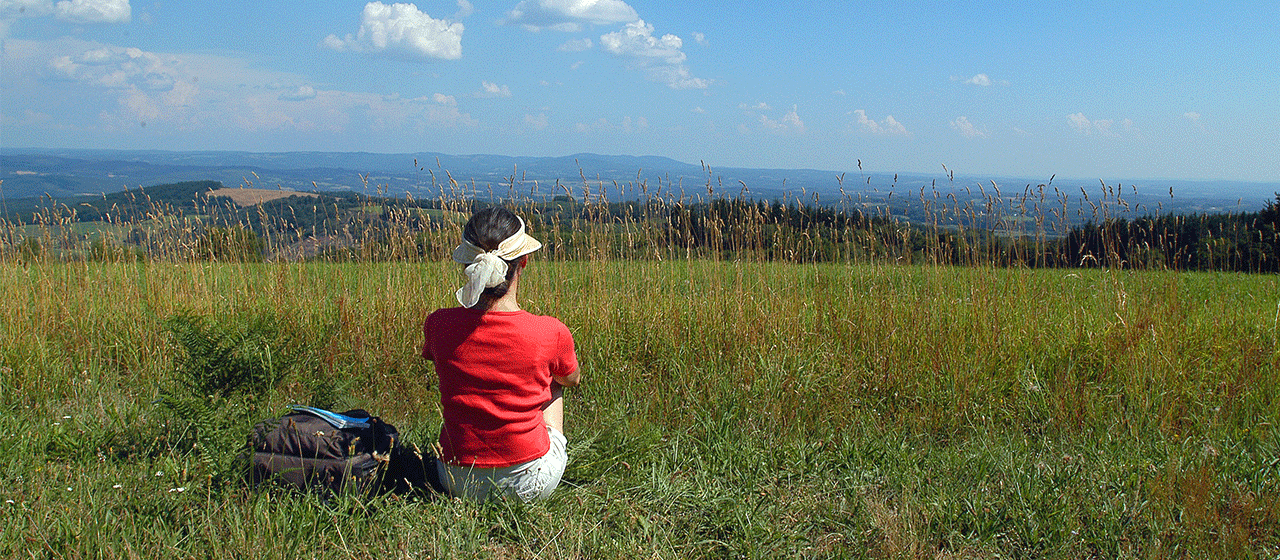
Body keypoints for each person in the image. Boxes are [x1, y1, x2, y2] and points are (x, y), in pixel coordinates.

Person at [421, 207, 581, 502]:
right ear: (524, 261)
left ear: (467, 264)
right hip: (529, 483)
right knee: (554, 379)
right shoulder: (550, 331)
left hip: (454, 478)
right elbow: (571, 379)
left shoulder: (438, 324)